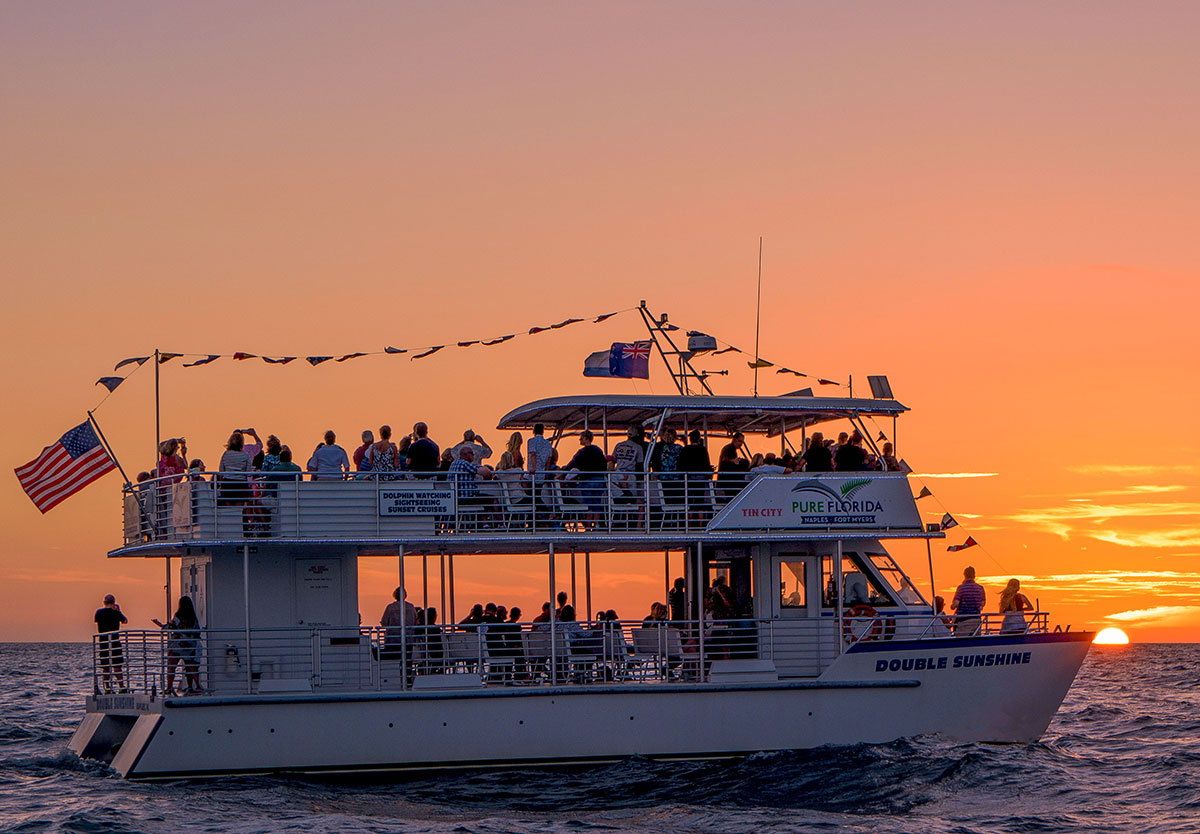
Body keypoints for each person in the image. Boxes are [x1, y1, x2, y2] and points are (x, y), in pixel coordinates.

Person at [152, 595, 202, 694]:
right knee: (191, 666)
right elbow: (197, 631)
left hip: (177, 645)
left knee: (172, 666)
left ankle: (169, 688)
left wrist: (161, 625)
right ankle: (197, 686)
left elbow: (172, 626)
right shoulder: (193, 618)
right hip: (189, 645)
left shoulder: (178, 615)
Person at [563, 430, 607, 523]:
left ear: (586, 439)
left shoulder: (582, 452)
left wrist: (562, 472)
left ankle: (588, 525)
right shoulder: (598, 450)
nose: (580, 440)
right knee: (596, 503)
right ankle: (596, 525)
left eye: (581, 438)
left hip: (587, 480)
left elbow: (572, 463)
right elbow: (604, 464)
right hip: (599, 480)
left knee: (588, 504)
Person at [94, 594, 127, 693]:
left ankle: (107, 688)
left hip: (103, 642)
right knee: (117, 666)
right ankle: (121, 687)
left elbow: (96, 621)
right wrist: (118, 611)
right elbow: (125, 621)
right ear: (114, 602)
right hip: (114, 641)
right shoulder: (116, 613)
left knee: (105, 667)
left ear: (104, 602)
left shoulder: (99, 612)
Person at [677, 430, 713, 517]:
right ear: (698, 439)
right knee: (699, 501)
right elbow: (706, 464)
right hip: (700, 477)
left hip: (688, 478)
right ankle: (700, 523)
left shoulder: (685, 449)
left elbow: (680, 464)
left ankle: (689, 523)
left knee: (689, 502)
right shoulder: (702, 450)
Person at [380, 587, 418, 659]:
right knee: (407, 661)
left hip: (393, 640)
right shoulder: (411, 607)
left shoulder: (390, 607)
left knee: (394, 660)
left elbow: (384, 623)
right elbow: (415, 622)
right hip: (408, 639)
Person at [950, 566, 986, 636]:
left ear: (964, 575)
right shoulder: (980, 588)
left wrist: (952, 606)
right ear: (974, 576)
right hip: (976, 619)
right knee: (975, 643)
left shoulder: (961, 588)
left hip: (964, 620)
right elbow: (983, 603)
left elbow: (956, 603)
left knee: (961, 642)